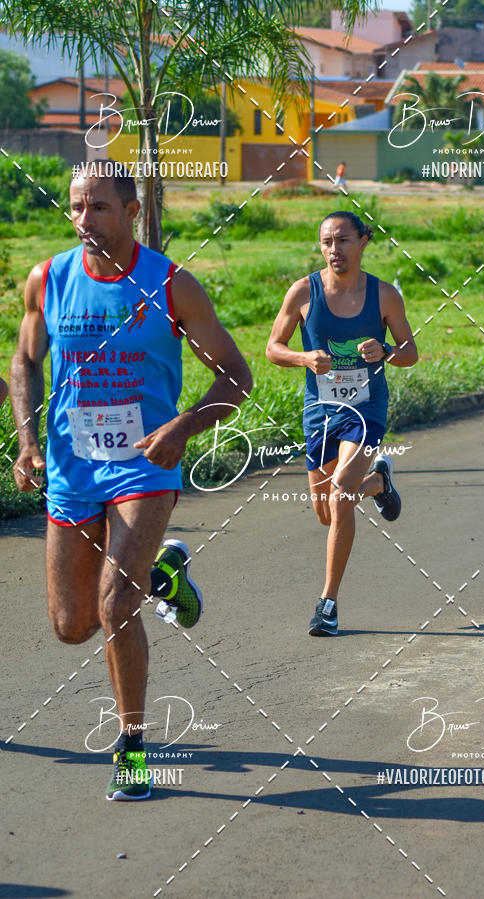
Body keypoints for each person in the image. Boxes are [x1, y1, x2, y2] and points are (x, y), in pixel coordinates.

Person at [10, 163, 252, 800]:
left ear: (132, 210)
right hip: (71, 466)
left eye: (99, 208)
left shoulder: (171, 286)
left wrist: (183, 428)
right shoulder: (49, 279)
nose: (85, 221)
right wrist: (28, 440)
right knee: (72, 625)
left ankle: (132, 747)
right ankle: (162, 574)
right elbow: (25, 361)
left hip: (145, 464)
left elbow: (236, 376)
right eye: (76, 208)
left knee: (116, 605)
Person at [266, 211, 417, 636]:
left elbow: (410, 352)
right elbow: (273, 348)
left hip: (366, 410)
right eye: (327, 242)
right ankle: (381, 484)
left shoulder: (384, 296)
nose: (335, 250)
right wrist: (303, 358)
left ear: (363, 241)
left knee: (338, 493)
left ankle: (327, 605)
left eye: (344, 241)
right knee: (326, 512)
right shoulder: (303, 292)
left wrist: (386, 351)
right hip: (320, 412)